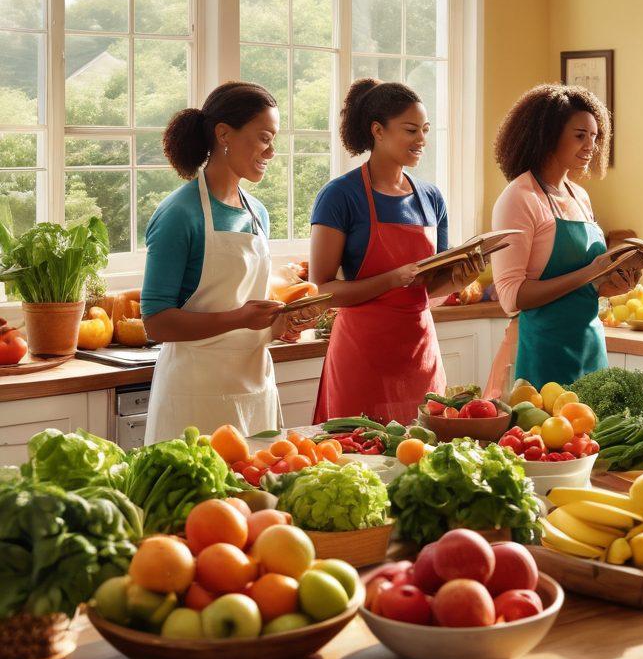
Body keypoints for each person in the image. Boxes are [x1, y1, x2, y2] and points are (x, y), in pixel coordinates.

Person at [143, 82, 318, 443]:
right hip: (195, 394)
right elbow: (156, 322)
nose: (271, 151)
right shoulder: (179, 213)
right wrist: (241, 318)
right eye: (264, 138)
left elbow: (246, 303)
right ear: (224, 133)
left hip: (254, 385)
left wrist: (282, 322)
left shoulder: (257, 213)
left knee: (256, 494)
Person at [309, 79, 482, 424]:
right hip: (362, 356)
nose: (421, 140)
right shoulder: (340, 196)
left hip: (420, 356)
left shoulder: (431, 198)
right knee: (357, 461)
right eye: (411, 130)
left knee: (424, 457)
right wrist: (391, 279)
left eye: (425, 130)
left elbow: (425, 292)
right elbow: (322, 291)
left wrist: (457, 281)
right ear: (378, 131)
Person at [488, 84, 642, 392]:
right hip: (539, 350)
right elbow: (512, 298)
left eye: (595, 137)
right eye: (580, 135)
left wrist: (612, 284)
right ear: (548, 134)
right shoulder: (519, 197)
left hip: (588, 346)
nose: (591, 146)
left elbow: (583, 286)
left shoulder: (579, 195)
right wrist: (591, 272)